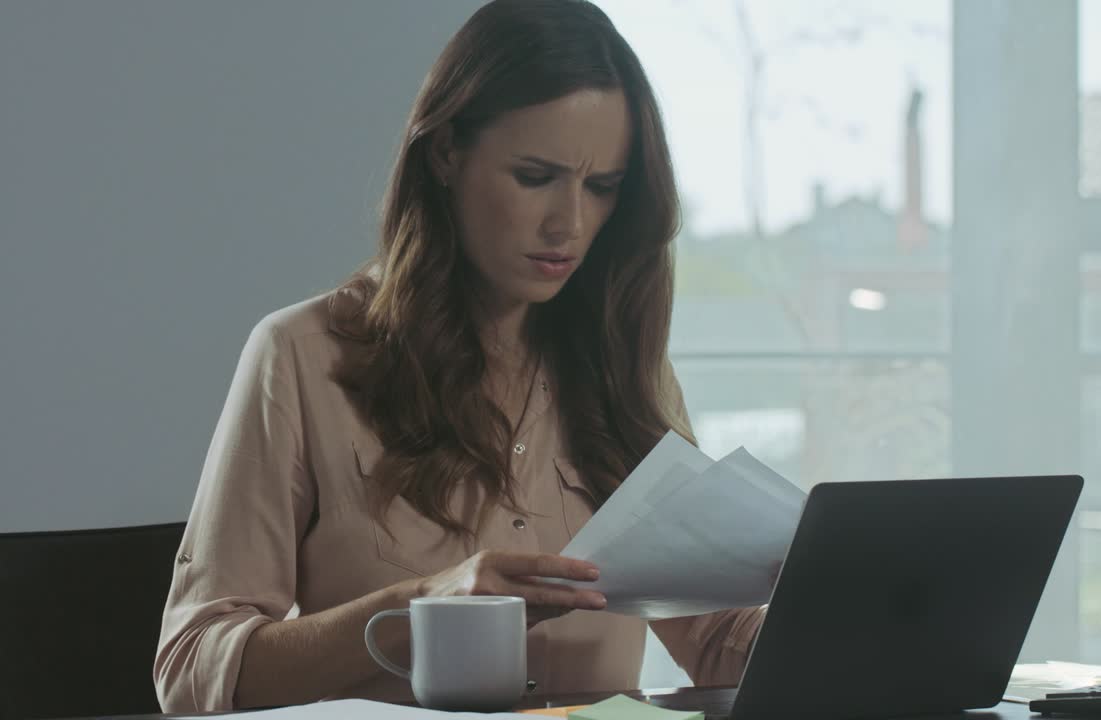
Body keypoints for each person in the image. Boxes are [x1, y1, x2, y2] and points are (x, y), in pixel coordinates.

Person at [153, 0, 767, 713]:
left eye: (602, 188)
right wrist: (421, 606)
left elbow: (715, 637)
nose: (569, 223)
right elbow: (192, 671)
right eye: (535, 176)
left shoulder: (628, 372)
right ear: (445, 152)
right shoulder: (298, 357)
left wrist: (829, 599)